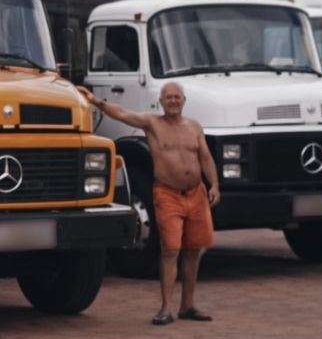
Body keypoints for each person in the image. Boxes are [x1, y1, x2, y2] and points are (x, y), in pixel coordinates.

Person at [79, 82, 220, 325]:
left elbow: (205, 157)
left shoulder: (194, 127)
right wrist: (95, 101)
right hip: (168, 194)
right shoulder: (152, 123)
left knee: (194, 250)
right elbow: (122, 113)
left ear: (184, 101)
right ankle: (166, 308)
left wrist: (214, 185)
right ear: (161, 102)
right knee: (170, 250)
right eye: (169, 98)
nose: (173, 101)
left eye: (177, 97)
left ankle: (188, 305)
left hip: (196, 193)